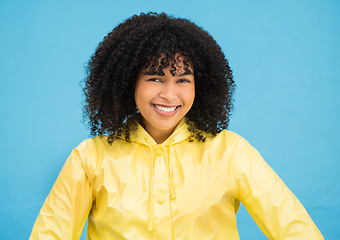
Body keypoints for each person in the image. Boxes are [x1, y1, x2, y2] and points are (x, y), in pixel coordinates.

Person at [29, 12, 324, 240]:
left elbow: (294, 226)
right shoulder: (90, 159)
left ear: (201, 85)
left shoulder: (231, 152)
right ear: (129, 82)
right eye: (155, 78)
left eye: (183, 80)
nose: (169, 95)